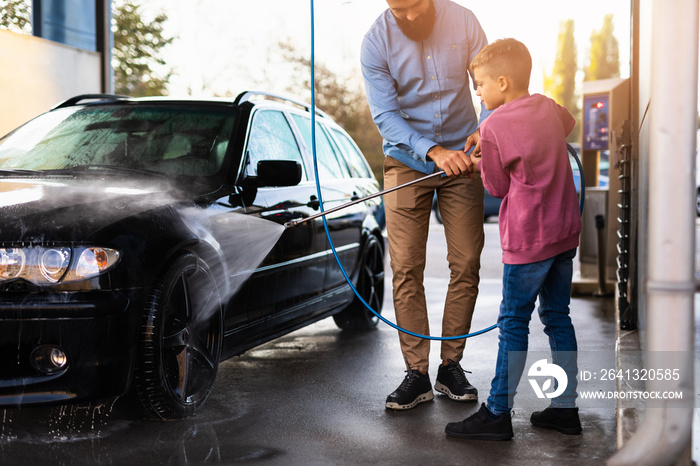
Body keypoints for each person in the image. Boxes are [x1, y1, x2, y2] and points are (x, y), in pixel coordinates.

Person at [445, 38, 582, 440]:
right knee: (558, 317)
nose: (478, 93)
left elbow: (499, 186)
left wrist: (484, 155)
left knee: (513, 323)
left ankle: (498, 413)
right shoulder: (546, 106)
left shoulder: (494, 125)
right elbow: (567, 123)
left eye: (480, 85)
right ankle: (565, 409)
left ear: (502, 82)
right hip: (563, 234)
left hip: (529, 240)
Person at [361, 0, 489, 410]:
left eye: (416, 6)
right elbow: (385, 115)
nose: (411, 17)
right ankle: (416, 374)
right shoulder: (375, 42)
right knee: (405, 266)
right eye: (400, 12)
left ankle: (451, 365)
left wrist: (486, 128)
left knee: (467, 261)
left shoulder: (465, 21)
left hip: (463, 162)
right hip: (405, 161)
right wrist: (431, 150)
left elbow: (489, 86)